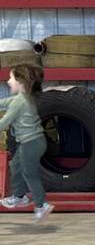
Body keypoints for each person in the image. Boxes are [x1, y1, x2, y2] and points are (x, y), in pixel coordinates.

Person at [0, 64, 54, 223]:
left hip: (31, 143)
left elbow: (4, 123)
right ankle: (19, 196)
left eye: (11, 78)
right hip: (32, 142)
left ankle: (41, 205)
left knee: (29, 173)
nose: (8, 81)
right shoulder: (23, 98)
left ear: (21, 82)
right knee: (15, 165)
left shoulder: (20, 102)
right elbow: (4, 102)